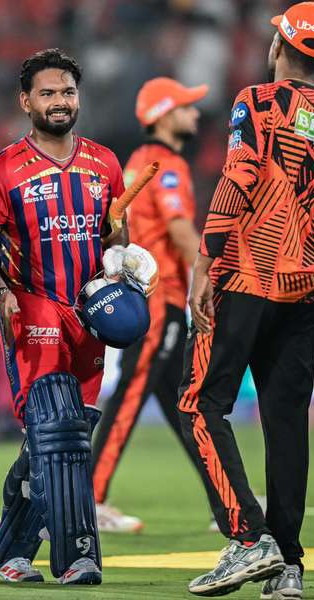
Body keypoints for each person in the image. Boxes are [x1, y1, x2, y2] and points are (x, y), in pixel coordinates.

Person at [178, 3, 314, 597]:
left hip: (246, 278)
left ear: (280, 45)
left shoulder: (257, 102)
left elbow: (238, 177)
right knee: (286, 424)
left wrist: (206, 260)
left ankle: (251, 539)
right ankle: (289, 567)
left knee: (201, 404)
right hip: (305, 288)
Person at [0, 48, 155, 586]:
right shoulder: (2, 169)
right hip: (32, 308)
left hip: (90, 315)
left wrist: (126, 257)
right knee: (59, 433)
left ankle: (5, 548)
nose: (60, 101)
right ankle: (78, 555)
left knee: (58, 440)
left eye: (68, 92)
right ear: (25, 101)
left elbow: (114, 236)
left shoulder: (105, 163)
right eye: (48, 93)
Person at [91, 76, 210, 533]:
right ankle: (91, 497)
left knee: (184, 404)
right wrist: (212, 278)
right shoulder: (167, 165)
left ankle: (225, 497)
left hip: (146, 293)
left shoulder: (139, 162)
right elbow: (180, 231)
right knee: (133, 393)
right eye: (186, 106)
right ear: (164, 115)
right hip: (161, 299)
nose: (195, 113)